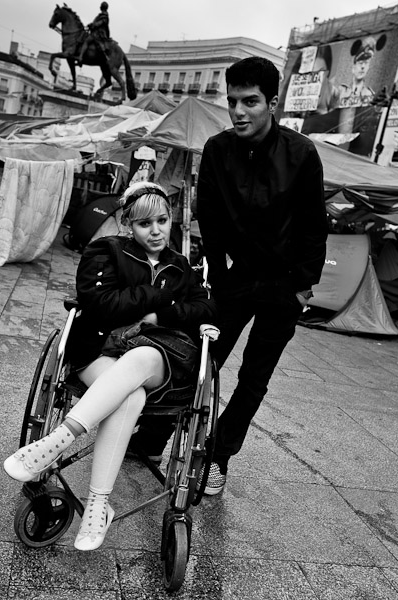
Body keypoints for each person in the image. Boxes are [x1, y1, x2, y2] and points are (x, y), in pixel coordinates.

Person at [129, 57, 327, 495]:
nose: (239, 111)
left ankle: (217, 456)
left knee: (254, 378)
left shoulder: (302, 154)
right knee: (200, 360)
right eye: (233, 101)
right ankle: (152, 437)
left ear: (272, 103)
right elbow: (210, 219)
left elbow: (315, 224)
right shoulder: (218, 149)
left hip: (285, 284)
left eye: (250, 102)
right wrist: (216, 278)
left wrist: (303, 287)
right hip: (234, 279)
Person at [2, 181, 216, 551]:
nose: (155, 231)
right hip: (99, 351)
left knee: (140, 360)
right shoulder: (106, 250)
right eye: (145, 223)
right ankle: (99, 505)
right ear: (128, 225)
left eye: (162, 221)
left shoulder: (180, 265)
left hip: (158, 359)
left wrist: (155, 314)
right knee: (128, 396)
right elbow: (102, 305)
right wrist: (161, 300)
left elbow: (205, 310)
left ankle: (58, 440)